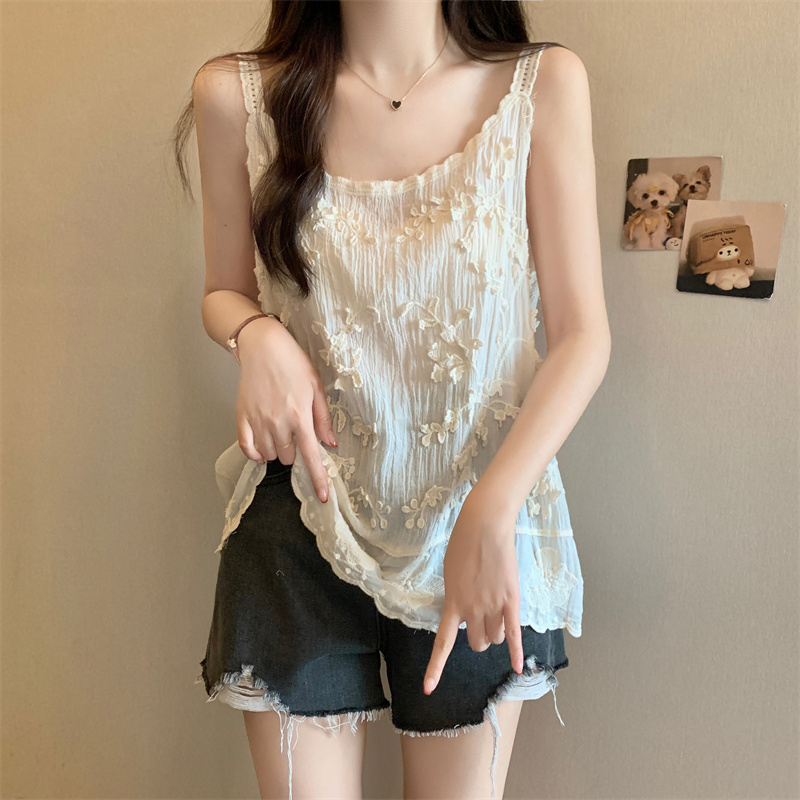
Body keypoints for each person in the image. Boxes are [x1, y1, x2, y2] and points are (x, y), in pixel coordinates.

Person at [174, 1, 609, 797]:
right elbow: (222, 292)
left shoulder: (540, 86)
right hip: (304, 510)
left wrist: (495, 503)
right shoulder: (237, 97)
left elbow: (583, 336)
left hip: (482, 522)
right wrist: (255, 335)